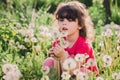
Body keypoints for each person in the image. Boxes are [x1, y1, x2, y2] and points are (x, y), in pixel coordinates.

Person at [42, 1, 99, 79]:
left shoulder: (83, 44)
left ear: (80, 25)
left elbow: (74, 71)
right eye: (61, 20)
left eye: (70, 20)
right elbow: (58, 67)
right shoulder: (58, 42)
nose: (64, 23)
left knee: (82, 71)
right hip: (64, 74)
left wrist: (62, 56)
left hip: (85, 75)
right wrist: (56, 58)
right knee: (49, 61)